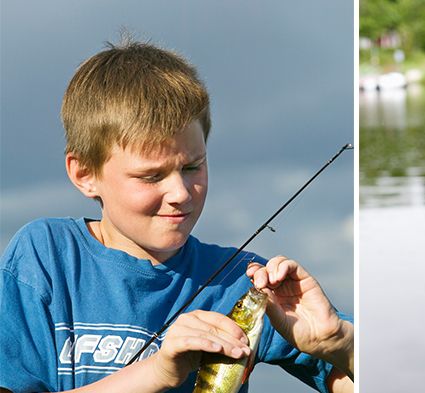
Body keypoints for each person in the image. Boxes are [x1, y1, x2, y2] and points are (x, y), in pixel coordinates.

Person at [0, 40, 353, 393]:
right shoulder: (46, 257)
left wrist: (340, 343)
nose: (181, 193)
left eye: (192, 166)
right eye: (151, 176)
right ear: (84, 174)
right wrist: (157, 373)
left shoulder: (243, 283)